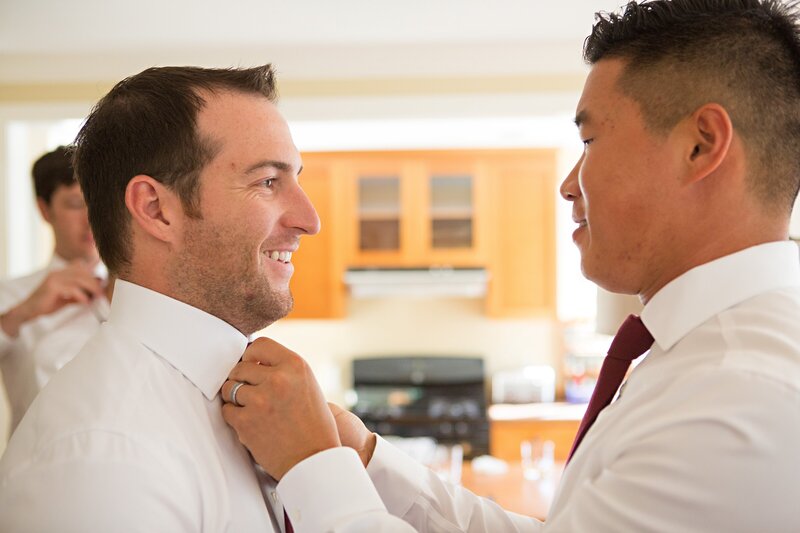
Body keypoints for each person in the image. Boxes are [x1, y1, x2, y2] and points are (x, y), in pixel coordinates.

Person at [219, 0, 800, 531]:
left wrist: (313, 464)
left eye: (592, 141)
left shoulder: (735, 395)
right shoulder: (700, 358)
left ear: (701, 145)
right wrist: (364, 459)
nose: (568, 184)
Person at [0, 65, 320, 531]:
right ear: (155, 209)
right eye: (268, 181)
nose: (310, 220)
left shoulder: (259, 406)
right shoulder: (102, 463)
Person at [0, 146, 105, 433]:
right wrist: (24, 312)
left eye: (97, 202)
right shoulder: (11, 296)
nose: (90, 217)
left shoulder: (128, 293)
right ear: (45, 210)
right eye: (74, 204)